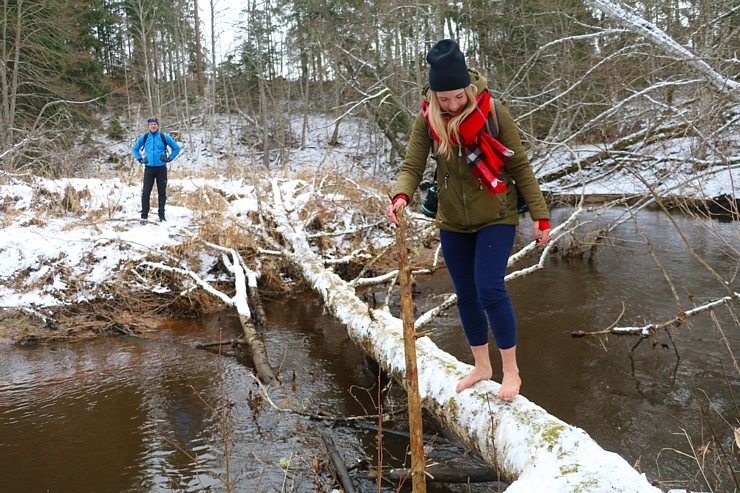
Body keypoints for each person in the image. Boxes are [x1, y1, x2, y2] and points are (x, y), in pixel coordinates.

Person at [385, 39, 551, 400]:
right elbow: (413, 164)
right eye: (443, 99)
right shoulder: (427, 118)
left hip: (496, 213)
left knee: (490, 288)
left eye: (458, 97)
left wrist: (540, 216)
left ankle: (511, 371)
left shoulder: (493, 112)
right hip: (453, 220)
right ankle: (481, 365)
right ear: (433, 94)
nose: (452, 105)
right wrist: (400, 195)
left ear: (468, 89)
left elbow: (519, 165)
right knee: (466, 295)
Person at [132, 117, 181, 223]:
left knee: (162, 192)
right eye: (151, 124)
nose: (153, 126)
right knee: (145, 192)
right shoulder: (144, 137)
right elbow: (135, 148)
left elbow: (176, 148)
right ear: (148, 126)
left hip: (161, 169)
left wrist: (169, 158)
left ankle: (161, 215)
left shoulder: (164, 137)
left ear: (158, 125)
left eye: (155, 124)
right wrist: (140, 159)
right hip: (149, 168)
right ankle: (144, 216)